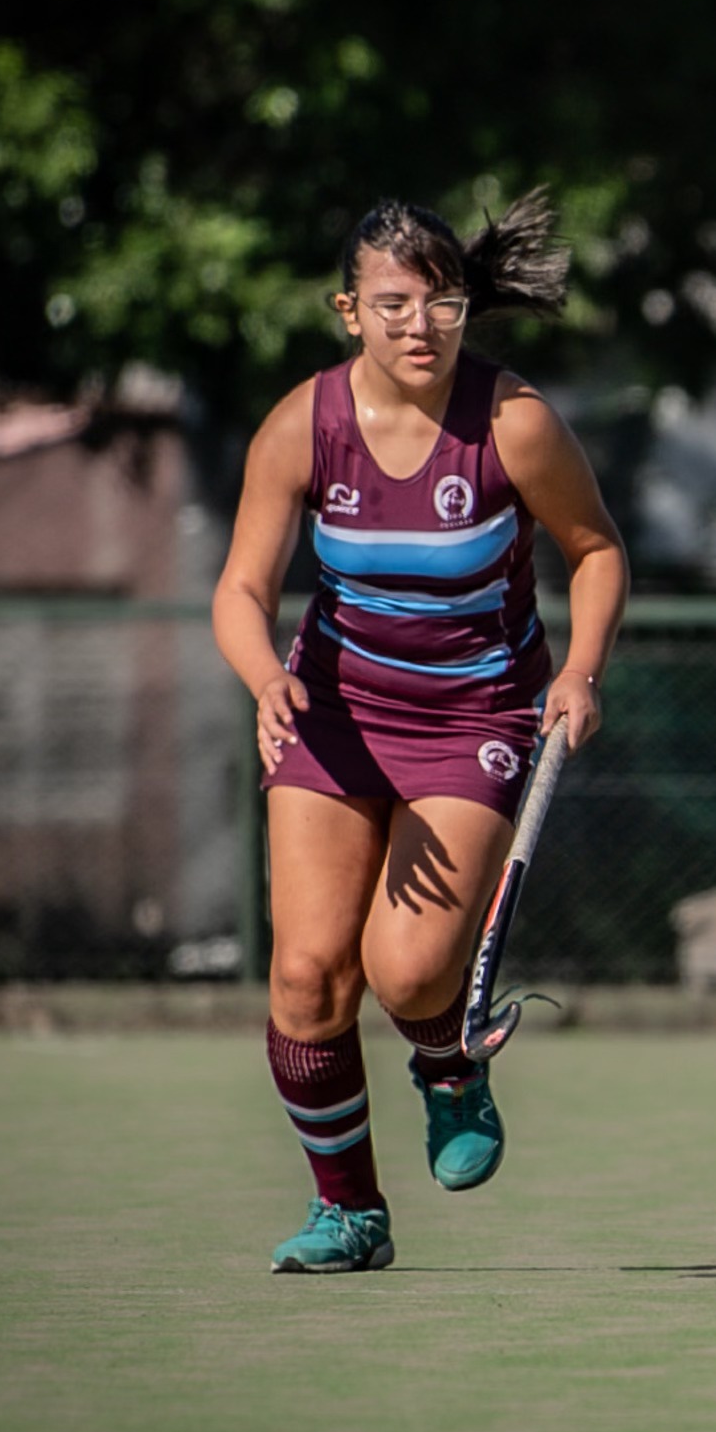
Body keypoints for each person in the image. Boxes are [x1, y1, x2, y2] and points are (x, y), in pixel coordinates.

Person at [212, 190, 629, 1274]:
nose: (417, 324)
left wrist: (578, 670)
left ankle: (446, 1065)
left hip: (473, 718)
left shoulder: (512, 423)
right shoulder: (303, 424)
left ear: (462, 309)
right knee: (307, 978)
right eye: (392, 303)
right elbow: (241, 587)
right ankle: (348, 1210)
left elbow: (593, 550)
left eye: (439, 301)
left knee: (403, 974)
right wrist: (263, 679)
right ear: (347, 311)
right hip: (333, 715)